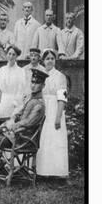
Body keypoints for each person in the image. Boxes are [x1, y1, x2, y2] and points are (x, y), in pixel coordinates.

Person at [36, 49, 69, 178]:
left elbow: (62, 98)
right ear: (43, 61)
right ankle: (43, 171)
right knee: (44, 140)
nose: (49, 61)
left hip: (55, 109)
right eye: (47, 58)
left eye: (52, 58)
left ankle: (57, 172)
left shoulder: (60, 76)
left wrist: (58, 117)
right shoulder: (41, 75)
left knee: (55, 140)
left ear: (55, 60)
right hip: (44, 109)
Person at [0, 45, 27, 116]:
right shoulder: (2, 70)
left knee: (12, 123)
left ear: (16, 56)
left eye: (13, 54)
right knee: (2, 122)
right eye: (9, 54)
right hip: (4, 102)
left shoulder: (21, 71)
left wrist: (17, 103)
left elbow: (22, 89)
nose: (11, 56)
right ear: (6, 55)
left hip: (16, 103)